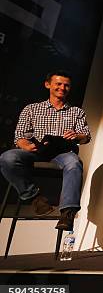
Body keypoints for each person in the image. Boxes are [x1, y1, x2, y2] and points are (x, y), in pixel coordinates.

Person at [0, 71, 90, 231]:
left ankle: (67, 213)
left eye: (66, 85)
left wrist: (77, 135)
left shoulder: (76, 112)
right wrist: (26, 146)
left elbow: (86, 137)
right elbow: (20, 136)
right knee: (8, 158)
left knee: (74, 163)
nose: (62, 87)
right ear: (48, 85)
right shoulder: (31, 109)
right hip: (36, 151)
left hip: (62, 152)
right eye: (58, 84)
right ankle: (35, 198)